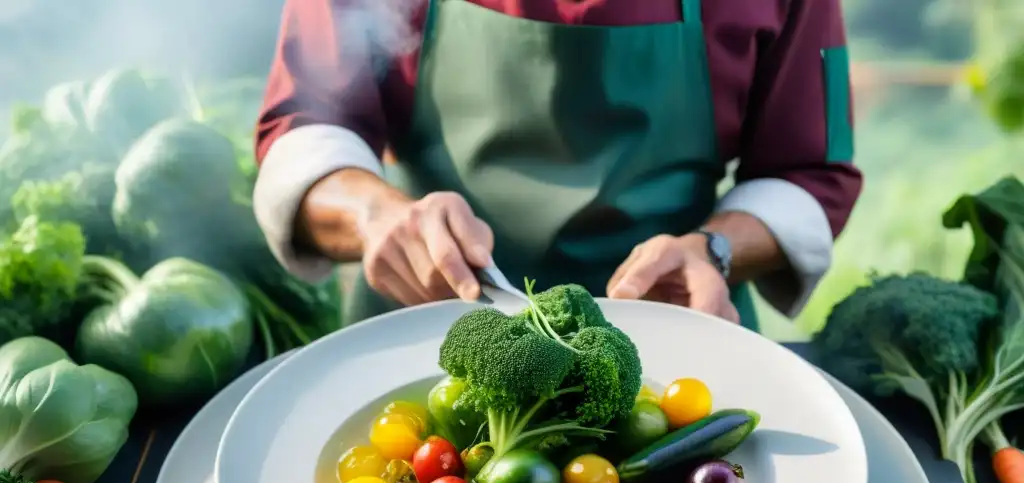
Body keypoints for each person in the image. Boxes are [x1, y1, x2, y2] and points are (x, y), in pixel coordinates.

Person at [253, 0, 862, 330]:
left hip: (678, 336)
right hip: (421, 328)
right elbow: (306, 134)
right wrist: (373, 215)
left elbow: (807, 172)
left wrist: (716, 250)